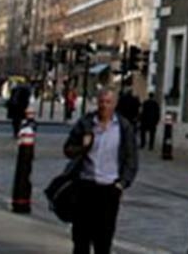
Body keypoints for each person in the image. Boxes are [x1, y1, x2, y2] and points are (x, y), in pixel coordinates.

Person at [63, 87, 137, 254]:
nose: (104, 106)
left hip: (109, 189)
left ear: (115, 104)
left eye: (108, 102)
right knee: (81, 238)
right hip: (85, 186)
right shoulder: (86, 123)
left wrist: (122, 183)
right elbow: (67, 150)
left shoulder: (123, 127)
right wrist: (83, 147)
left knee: (103, 240)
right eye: (102, 102)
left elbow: (131, 159)